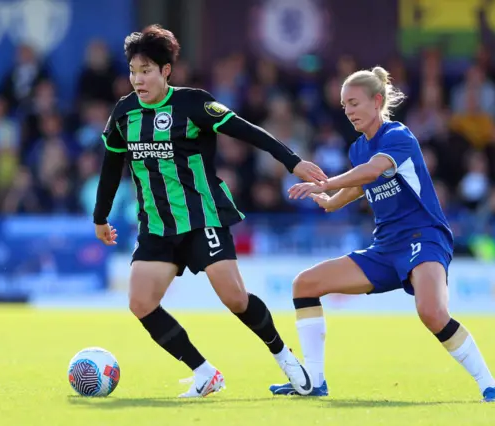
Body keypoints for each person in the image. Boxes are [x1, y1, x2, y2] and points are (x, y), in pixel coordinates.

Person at [93, 25, 326, 398]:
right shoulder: (123, 113)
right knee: (140, 303)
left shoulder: (193, 103)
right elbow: (110, 166)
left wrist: (292, 162)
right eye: (134, 71)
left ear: (166, 71)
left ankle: (286, 358)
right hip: (156, 224)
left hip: (202, 217)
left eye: (146, 71)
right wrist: (100, 217)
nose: (138, 79)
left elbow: (250, 132)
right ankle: (204, 372)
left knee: (235, 298)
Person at [269, 66, 495, 403]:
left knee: (432, 313)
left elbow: (371, 171)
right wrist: (331, 202)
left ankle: (490, 386)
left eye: (354, 103)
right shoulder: (357, 149)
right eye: (344, 106)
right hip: (385, 247)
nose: (348, 111)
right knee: (304, 285)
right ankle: (314, 381)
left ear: (377, 100)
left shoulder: (398, 135)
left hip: (423, 236)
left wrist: (325, 183)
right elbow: (359, 184)